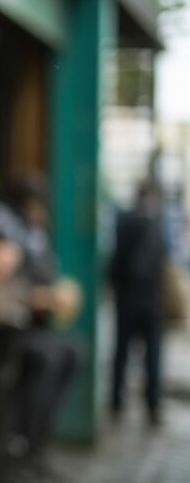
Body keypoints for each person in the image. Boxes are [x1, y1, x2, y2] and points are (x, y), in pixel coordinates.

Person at [0, 177, 81, 475]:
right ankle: (23, 442)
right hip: (1, 329)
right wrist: (32, 299)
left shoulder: (30, 236)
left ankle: (33, 441)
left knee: (70, 354)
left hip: (20, 323)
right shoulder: (1, 227)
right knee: (45, 359)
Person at [110, 182, 167, 426]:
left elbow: (114, 261)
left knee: (122, 350)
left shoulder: (124, 221)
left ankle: (116, 401)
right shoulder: (156, 223)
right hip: (150, 298)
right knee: (152, 354)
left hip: (127, 296)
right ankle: (152, 405)